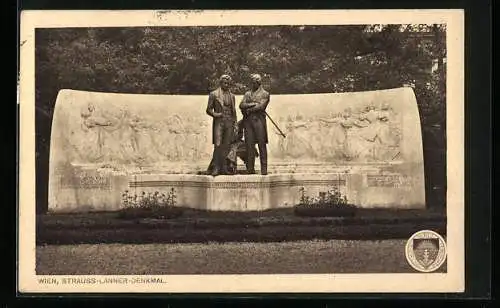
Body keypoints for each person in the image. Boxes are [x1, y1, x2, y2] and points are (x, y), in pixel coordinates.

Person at [205, 74, 237, 176]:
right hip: (219, 121)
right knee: (218, 145)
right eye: (225, 83)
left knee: (226, 145)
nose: (226, 85)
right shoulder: (213, 94)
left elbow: (234, 111)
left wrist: (235, 123)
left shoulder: (232, 96)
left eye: (228, 83)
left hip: (229, 122)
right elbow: (208, 110)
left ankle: (224, 168)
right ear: (221, 83)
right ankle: (216, 168)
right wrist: (216, 114)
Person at [239, 74, 270, 175]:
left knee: (262, 145)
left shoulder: (265, 94)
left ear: (258, 82)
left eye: (254, 82)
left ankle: (264, 169)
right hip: (248, 122)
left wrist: (248, 109)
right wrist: (253, 104)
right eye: (251, 82)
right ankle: (250, 168)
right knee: (249, 146)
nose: (252, 84)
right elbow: (241, 105)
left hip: (259, 122)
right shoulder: (247, 94)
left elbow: (261, 107)